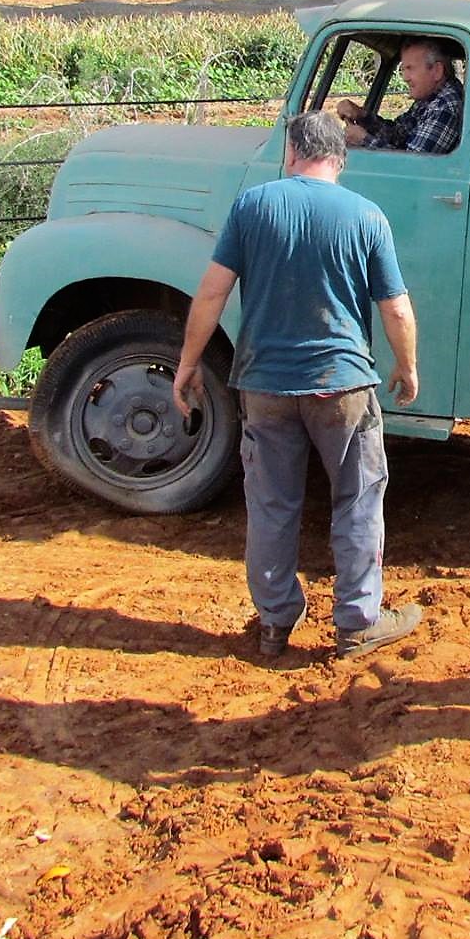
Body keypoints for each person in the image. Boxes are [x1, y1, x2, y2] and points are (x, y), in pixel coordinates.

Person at [172, 109, 424, 662]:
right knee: (357, 500)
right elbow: (396, 308)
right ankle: (358, 621)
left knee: (271, 503)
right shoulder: (365, 216)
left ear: (291, 154)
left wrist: (189, 363)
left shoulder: (253, 206)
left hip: (263, 384)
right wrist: (407, 366)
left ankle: (274, 621)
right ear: (341, 159)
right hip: (341, 384)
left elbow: (211, 294)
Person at [337, 37, 463, 153]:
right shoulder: (428, 99)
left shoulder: (445, 106)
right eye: (403, 69)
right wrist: (362, 115)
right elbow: (398, 134)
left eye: (410, 68)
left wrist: (363, 140)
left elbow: (410, 166)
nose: (405, 78)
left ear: (437, 71)